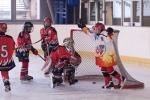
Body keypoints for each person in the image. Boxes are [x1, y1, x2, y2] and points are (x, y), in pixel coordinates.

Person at [78, 21, 122, 89]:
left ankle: (120, 79)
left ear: (101, 29)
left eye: (97, 29)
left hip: (108, 55)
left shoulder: (104, 34)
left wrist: (110, 33)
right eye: (95, 29)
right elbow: (88, 32)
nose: (95, 30)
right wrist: (83, 27)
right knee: (103, 69)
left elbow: (109, 39)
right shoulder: (95, 35)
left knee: (109, 69)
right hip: (101, 56)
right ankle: (109, 83)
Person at [0, 23, 15, 92]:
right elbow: (13, 48)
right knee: (4, 71)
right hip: (6, 60)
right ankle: (6, 82)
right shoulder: (10, 38)